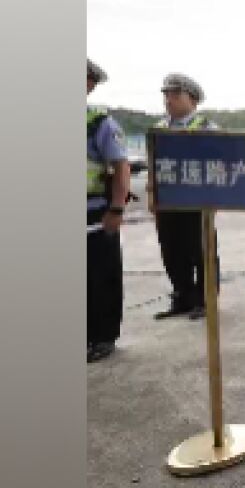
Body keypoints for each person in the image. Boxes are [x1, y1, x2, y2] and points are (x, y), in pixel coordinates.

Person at [150, 73, 220, 321]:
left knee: (201, 251)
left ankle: (205, 300)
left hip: (197, 202)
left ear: (192, 99)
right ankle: (182, 297)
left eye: (175, 95)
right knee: (172, 251)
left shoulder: (207, 128)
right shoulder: (158, 128)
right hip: (167, 201)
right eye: (166, 95)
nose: (169, 100)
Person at [86, 59, 131, 363]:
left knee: (99, 278)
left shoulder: (99, 123)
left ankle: (103, 336)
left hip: (94, 212)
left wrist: (116, 208)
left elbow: (121, 167)